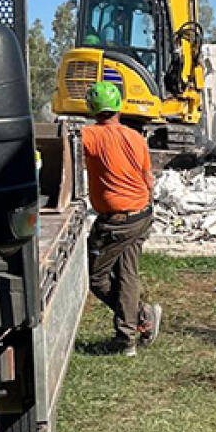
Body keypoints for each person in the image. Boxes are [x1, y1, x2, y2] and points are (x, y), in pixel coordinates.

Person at [81, 81, 162, 356]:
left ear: (92, 108)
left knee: (96, 276)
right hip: (141, 214)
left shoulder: (89, 136)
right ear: (118, 106)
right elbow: (148, 178)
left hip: (116, 222)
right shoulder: (136, 137)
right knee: (128, 274)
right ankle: (131, 332)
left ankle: (136, 323)